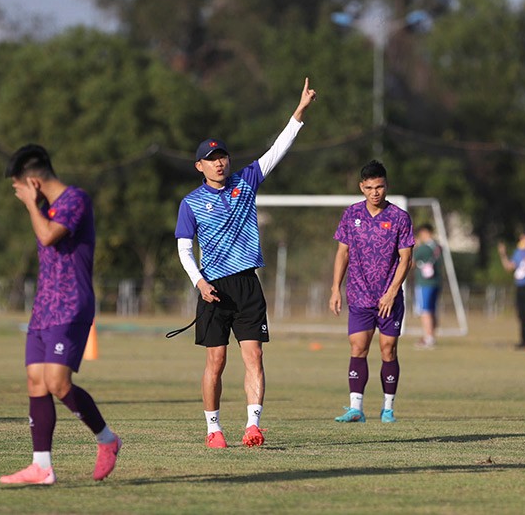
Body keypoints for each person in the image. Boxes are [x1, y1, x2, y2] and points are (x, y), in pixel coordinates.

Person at [175, 77, 317, 449]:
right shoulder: (190, 203)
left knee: (254, 354)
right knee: (216, 361)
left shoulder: (246, 181)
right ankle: (213, 429)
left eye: (222, 156)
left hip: (247, 283)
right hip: (214, 288)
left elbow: (277, 149)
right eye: (211, 159)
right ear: (199, 166)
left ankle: (253, 425)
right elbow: (185, 249)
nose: (219, 162)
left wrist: (299, 113)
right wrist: (199, 283)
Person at [0, 144, 121, 486]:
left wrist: (29, 205)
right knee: (36, 382)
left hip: (71, 306)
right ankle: (41, 466)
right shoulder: (47, 207)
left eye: (19, 186)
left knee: (57, 382)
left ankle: (107, 439)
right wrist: (35, 205)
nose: (18, 193)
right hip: (43, 308)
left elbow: (49, 236)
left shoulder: (75, 200)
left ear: (34, 182)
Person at [329, 160, 414, 424]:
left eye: (379, 186)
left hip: (389, 299)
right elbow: (342, 253)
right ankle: (356, 408)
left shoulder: (400, 218)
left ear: (386, 185)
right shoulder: (351, 214)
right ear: (361, 188)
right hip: (359, 295)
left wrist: (391, 292)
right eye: (369, 187)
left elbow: (406, 259)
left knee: (388, 349)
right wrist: (335, 288)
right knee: (358, 347)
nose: (375, 192)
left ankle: (388, 408)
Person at [497, 225, 525, 349]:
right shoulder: (519, 252)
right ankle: (524, 340)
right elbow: (509, 267)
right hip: (520, 287)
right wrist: (503, 254)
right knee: (522, 314)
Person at [413, 223, 442, 349]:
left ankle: (428, 338)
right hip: (436, 282)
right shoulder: (438, 247)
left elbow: (411, 263)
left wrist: (415, 247)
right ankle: (431, 336)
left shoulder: (424, 248)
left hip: (424, 283)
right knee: (432, 310)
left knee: (425, 311)